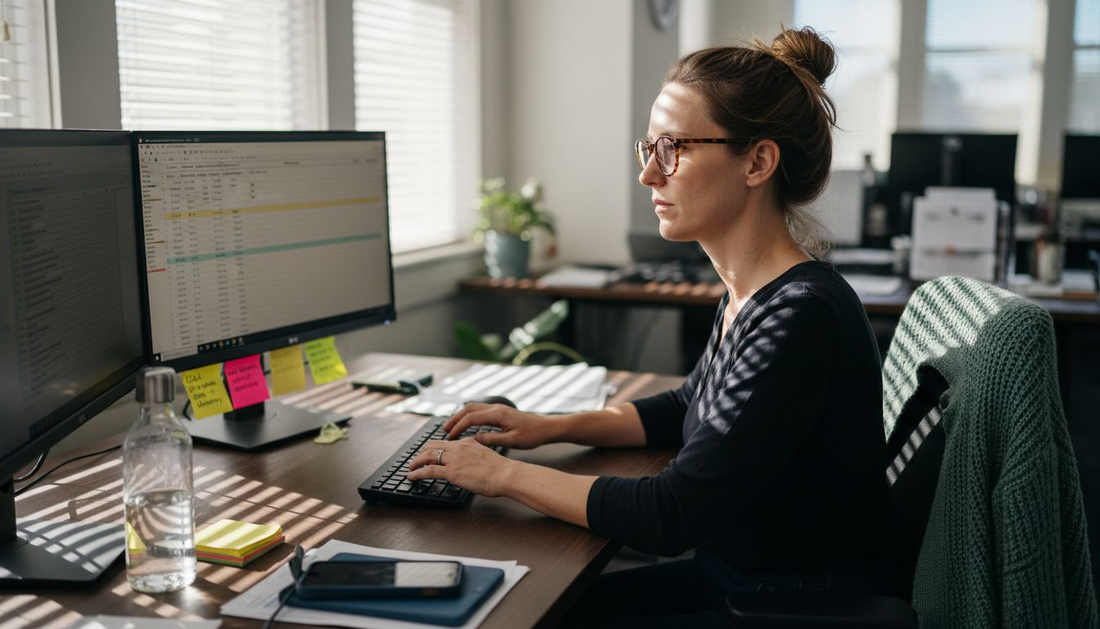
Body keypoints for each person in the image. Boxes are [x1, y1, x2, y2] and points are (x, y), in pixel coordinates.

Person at [407, 27, 896, 627]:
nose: (649, 175)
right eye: (649, 149)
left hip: (786, 602)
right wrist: (545, 427)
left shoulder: (800, 315)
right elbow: (689, 403)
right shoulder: (751, 292)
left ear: (758, 162)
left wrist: (500, 474)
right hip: (743, 579)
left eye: (675, 149)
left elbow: (670, 515)